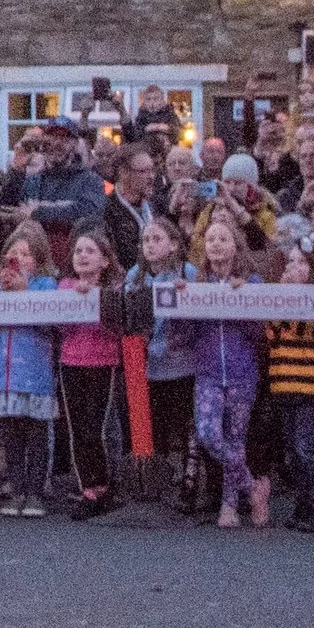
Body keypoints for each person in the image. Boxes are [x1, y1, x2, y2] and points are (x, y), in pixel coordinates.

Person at [188, 217, 264, 528]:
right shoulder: (197, 285)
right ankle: (252, 488)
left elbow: (258, 332)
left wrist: (241, 300)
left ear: (236, 245)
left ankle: (229, 506)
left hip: (242, 372)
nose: (216, 245)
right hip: (207, 373)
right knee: (208, 435)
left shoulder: (253, 282)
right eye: (211, 240)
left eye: (223, 239)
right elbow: (187, 332)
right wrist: (183, 300)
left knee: (236, 439)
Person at [261, 246, 314, 534]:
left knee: (307, 447)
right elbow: (271, 332)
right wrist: (280, 297)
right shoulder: (278, 300)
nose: (293, 267)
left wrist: (283, 298)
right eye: (290, 262)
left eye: (300, 262)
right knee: (293, 452)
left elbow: (305, 328)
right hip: (283, 384)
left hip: (309, 386)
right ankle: (306, 502)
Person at [126, 214, 202, 512]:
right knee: (154, 427)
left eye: (157, 239)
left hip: (183, 364)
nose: (150, 245)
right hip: (150, 365)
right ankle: (154, 484)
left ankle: (189, 483)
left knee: (185, 428)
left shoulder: (188, 272)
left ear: (173, 244)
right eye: (146, 240)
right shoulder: (136, 276)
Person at [0, 222, 61, 516]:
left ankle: (35, 492)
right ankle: (16, 490)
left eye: (26, 254)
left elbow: (50, 322)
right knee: (12, 433)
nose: (18, 258)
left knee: (36, 432)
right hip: (4, 369)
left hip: (35, 369)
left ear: (38, 259)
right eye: (13, 253)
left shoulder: (46, 284)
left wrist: (24, 290)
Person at [59, 226, 123, 521]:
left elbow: (115, 329)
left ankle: (104, 485)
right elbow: (62, 328)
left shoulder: (114, 291)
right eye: (78, 251)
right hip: (71, 361)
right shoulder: (64, 288)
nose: (82, 255)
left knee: (95, 427)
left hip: (101, 362)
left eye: (90, 251)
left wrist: (95, 299)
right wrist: (77, 301)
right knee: (77, 429)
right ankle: (89, 488)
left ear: (105, 261)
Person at [2, 122, 108, 269]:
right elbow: (4, 211)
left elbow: (89, 214)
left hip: (74, 269)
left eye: (64, 138)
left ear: (75, 144)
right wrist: (17, 169)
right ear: (44, 141)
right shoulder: (33, 181)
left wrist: (37, 214)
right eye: (52, 137)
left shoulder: (90, 180)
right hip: (36, 271)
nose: (57, 143)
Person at [195, 153, 279, 254]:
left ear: (251, 186)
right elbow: (196, 248)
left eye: (238, 183)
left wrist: (234, 208)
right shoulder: (211, 210)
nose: (231, 188)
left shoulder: (266, 212)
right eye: (227, 182)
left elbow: (267, 249)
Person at [102, 145, 167, 271]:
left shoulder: (157, 206)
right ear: (123, 173)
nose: (151, 177)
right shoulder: (106, 211)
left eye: (153, 170)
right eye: (143, 172)